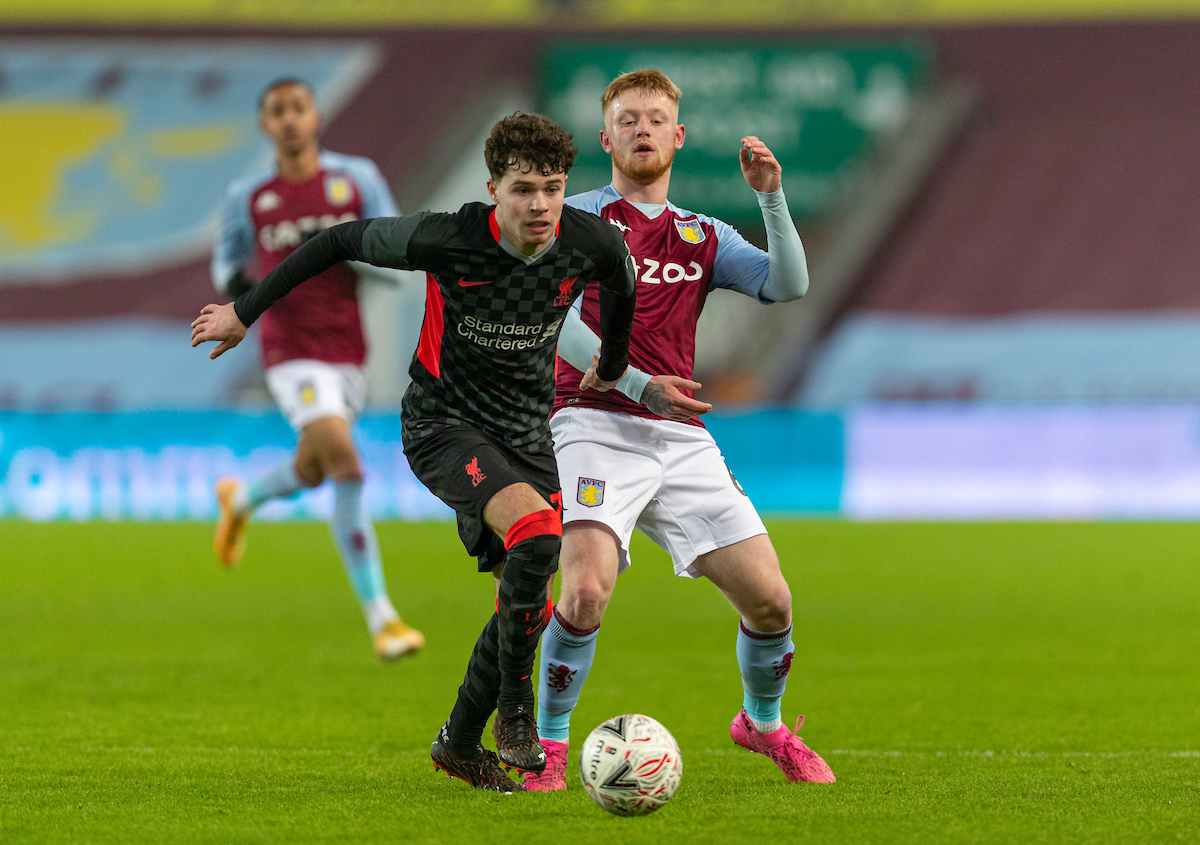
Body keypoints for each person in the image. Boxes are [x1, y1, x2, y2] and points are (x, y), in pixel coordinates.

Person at [192, 112, 637, 793]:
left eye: (552, 187)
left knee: (526, 605)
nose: (540, 204)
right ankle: (516, 715)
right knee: (539, 533)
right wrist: (245, 311)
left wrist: (611, 361)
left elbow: (623, 280)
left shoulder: (589, 241)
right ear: (494, 188)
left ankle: (459, 743)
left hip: (526, 431)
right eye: (523, 189)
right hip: (444, 423)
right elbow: (336, 240)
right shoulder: (448, 236)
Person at [526, 69, 835, 790]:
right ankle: (548, 744)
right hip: (592, 423)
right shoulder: (575, 221)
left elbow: (788, 284)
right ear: (606, 138)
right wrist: (635, 383)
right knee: (585, 592)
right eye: (628, 118)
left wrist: (771, 195)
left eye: (656, 118)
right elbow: (554, 321)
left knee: (772, 601)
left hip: (679, 436)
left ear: (678, 136)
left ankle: (761, 724)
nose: (642, 128)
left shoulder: (701, 233)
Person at [209, 78, 424, 662]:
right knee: (345, 462)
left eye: (297, 108)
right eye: (276, 111)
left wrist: (375, 262)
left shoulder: (355, 179)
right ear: (265, 124)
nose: (289, 120)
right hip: (288, 349)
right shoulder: (249, 195)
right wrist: (245, 302)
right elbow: (228, 263)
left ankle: (242, 500)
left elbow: (394, 244)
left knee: (313, 466)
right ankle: (383, 619)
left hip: (348, 348)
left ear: (317, 115)